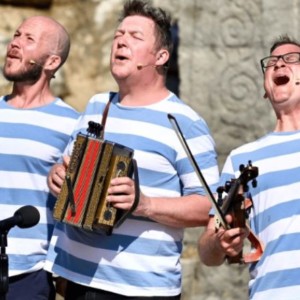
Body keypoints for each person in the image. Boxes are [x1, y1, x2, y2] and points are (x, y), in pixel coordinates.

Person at [44, 0, 219, 299]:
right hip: (75, 279)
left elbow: (209, 207)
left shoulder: (184, 121)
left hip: (140, 288)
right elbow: (66, 167)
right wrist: (57, 177)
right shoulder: (97, 105)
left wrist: (145, 203)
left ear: (161, 56)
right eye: (118, 35)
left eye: (135, 36)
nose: (121, 40)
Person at [198, 34, 300, 300]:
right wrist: (218, 243)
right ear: (265, 89)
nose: (279, 64)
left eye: (291, 59)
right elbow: (207, 252)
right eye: (272, 62)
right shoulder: (242, 158)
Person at [0, 16, 79, 299]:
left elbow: (75, 209)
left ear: (52, 62)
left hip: (28, 276)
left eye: (29, 39)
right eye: (17, 35)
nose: (15, 43)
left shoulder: (72, 125)